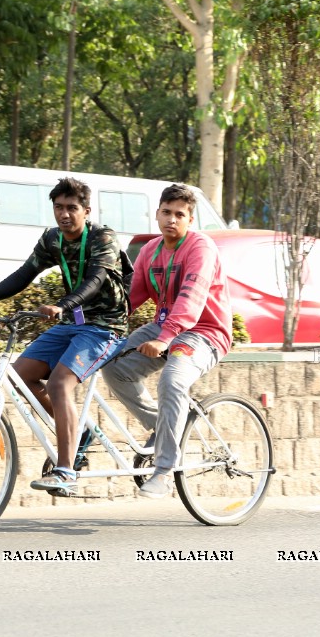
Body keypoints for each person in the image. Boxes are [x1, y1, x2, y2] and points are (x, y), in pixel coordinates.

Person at [0, 177, 128, 497]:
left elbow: (94, 280)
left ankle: (66, 470)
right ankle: (81, 434)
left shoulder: (103, 238)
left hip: (106, 326)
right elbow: (24, 275)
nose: (64, 214)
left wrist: (62, 305)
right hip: (71, 322)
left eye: (72, 208)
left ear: (86, 210)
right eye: (59, 207)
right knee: (19, 377)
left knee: (60, 383)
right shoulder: (52, 240)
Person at [102, 183, 233, 498]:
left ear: (190, 219)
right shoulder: (150, 251)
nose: (171, 219)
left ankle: (164, 469)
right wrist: (89, 320)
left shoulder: (200, 248)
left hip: (204, 332)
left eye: (180, 214)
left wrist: (165, 338)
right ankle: (164, 427)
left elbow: (191, 297)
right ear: (157, 213)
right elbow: (128, 300)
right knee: (112, 366)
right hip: (163, 329)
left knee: (172, 381)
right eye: (166, 212)